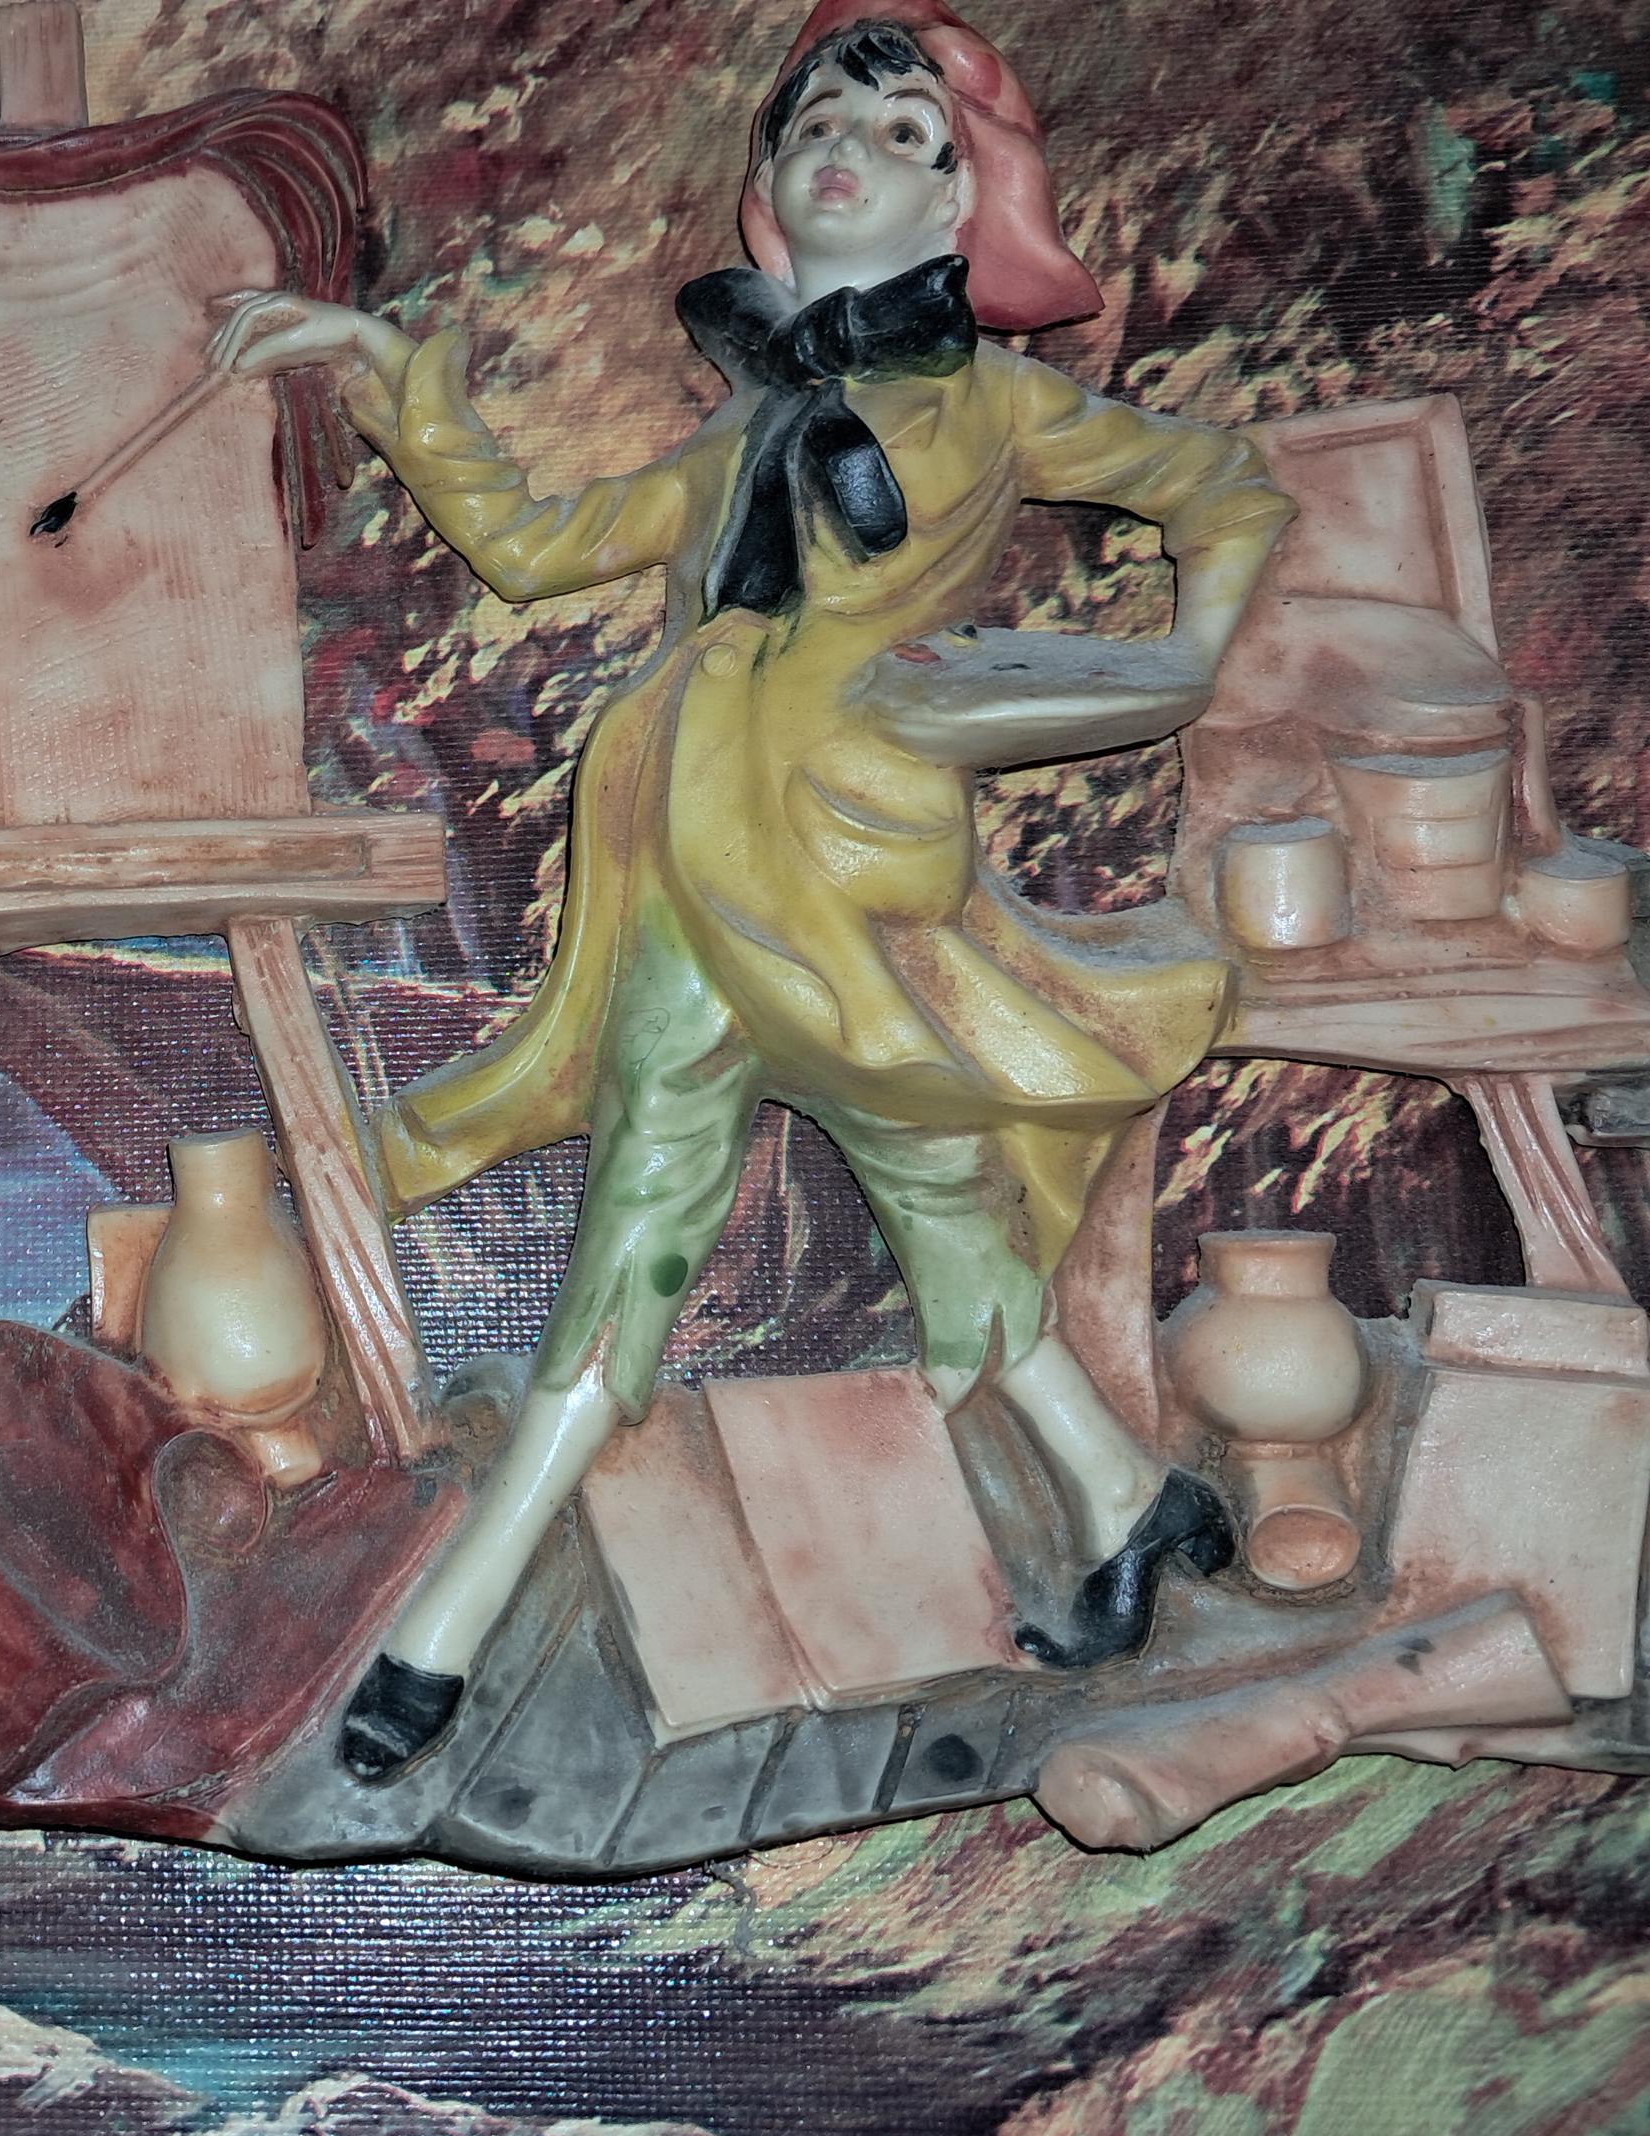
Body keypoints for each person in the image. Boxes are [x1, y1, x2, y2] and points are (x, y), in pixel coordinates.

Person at [209, 0, 1296, 1779]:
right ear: (769, 196)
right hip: (687, 881)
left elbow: (1223, 487)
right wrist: (382, 364)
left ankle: (1122, 1494)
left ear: (961, 208)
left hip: (860, 880)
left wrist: (1177, 665)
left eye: (901, 134)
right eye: (813, 132)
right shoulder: (738, 437)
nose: (846, 153)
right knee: (645, 1219)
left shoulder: (1002, 406)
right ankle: (454, 1619)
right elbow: (532, 545)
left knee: (939, 1199)